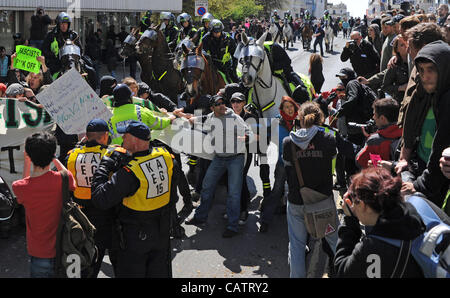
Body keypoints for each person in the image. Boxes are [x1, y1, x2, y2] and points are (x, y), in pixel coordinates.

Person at [91, 121, 175, 277]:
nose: (122, 138)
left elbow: (100, 199)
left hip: (135, 237)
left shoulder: (130, 172)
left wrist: (104, 166)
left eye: (126, 135)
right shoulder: (164, 155)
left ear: (135, 140)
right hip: (161, 230)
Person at [335, 167, 426, 278]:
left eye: (354, 201)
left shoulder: (371, 248)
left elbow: (342, 270)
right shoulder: (421, 203)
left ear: (363, 205)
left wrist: (349, 221)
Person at [282, 101, 338, 278]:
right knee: (335, 243)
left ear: (300, 119)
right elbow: (333, 159)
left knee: (297, 246)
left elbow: (287, 170)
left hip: (297, 201)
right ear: (320, 118)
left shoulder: (287, 142)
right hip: (323, 201)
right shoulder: (328, 139)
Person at [185, 95, 254, 238]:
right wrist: (178, 116)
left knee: (234, 193)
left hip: (236, 158)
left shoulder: (235, 118)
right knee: (207, 185)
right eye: (218, 104)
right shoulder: (210, 117)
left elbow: (249, 134)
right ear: (212, 108)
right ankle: (200, 216)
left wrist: (241, 138)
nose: (222, 105)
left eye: (223, 102)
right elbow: (194, 119)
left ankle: (233, 226)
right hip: (219, 158)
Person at [12, 132, 76, 278]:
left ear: (28, 154)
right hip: (67, 249)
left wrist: (27, 161)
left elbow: (26, 182)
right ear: (53, 153)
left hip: (39, 252)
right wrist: (55, 159)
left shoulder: (20, 187)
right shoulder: (63, 179)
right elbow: (68, 176)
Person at [400, 40, 450, 209]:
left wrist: (420, 185)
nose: (425, 76)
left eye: (431, 69)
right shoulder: (433, 94)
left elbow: (441, 145)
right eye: (421, 71)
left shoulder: (447, 99)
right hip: (424, 168)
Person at [259, 96, 299, 234]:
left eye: (291, 106)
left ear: (295, 106)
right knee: (277, 191)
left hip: (299, 166)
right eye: (286, 107)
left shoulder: (301, 121)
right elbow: (263, 129)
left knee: (297, 194)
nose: (289, 109)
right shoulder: (276, 121)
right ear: (281, 109)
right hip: (282, 164)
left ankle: (298, 227)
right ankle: (265, 220)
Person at [107, 84, 176, 145]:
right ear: (130, 98)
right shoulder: (140, 111)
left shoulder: (108, 117)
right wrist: (169, 119)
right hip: (141, 153)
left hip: (121, 155)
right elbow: (158, 124)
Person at [355, 98, 402, 169]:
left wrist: (368, 140)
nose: (373, 117)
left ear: (382, 118)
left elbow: (360, 161)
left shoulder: (374, 141)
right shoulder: (406, 134)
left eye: (374, 114)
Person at [42, 12, 82, 77]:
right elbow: (44, 49)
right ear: (58, 24)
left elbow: (80, 49)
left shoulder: (74, 35)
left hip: (72, 61)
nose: (64, 26)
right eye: (62, 24)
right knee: (49, 72)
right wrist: (52, 55)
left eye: (66, 24)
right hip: (56, 62)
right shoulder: (51, 35)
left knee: (89, 69)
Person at [201, 19, 238, 84]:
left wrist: (234, 68)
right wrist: (206, 55)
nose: (217, 34)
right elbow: (202, 50)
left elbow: (235, 54)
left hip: (226, 66)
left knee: (236, 80)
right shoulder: (206, 38)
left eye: (219, 31)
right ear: (211, 31)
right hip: (212, 65)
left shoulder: (228, 38)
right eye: (215, 32)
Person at [381, 35, 409, 104]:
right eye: (402, 45)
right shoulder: (394, 65)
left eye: (407, 43)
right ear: (397, 49)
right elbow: (385, 87)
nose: (406, 46)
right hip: (402, 101)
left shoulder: (415, 61)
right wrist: (400, 88)